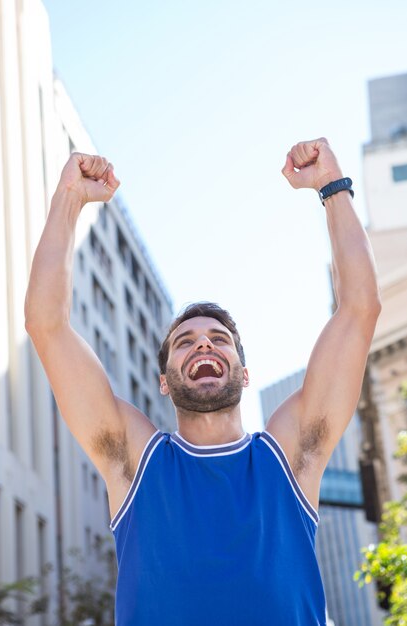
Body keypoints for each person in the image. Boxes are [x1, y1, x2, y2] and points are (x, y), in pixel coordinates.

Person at [25, 138, 381, 625]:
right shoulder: (134, 462)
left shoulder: (290, 455)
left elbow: (360, 309)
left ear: (244, 373)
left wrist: (332, 186)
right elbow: (47, 324)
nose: (204, 346)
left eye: (219, 339)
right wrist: (68, 198)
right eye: (185, 342)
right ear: (165, 382)